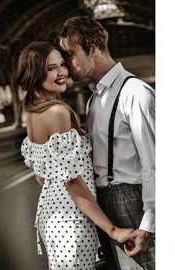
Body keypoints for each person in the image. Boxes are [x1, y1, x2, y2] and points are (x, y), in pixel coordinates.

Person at [16, 41, 134, 270]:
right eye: (51, 68)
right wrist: (112, 230)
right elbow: (72, 181)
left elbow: (42, 176)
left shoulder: (32, 113)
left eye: (61, 65)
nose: (61, 73)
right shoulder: (57, 113)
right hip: (71, 220)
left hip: (52, 219)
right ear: (34, 73)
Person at [57, 16, 155, 270]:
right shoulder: (94, 100)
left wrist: (149, 223)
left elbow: (155, 164)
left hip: (134, 206)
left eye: (70, 54)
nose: (66, 64)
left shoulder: (135, 93)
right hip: (107, 207)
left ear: (93, 48)